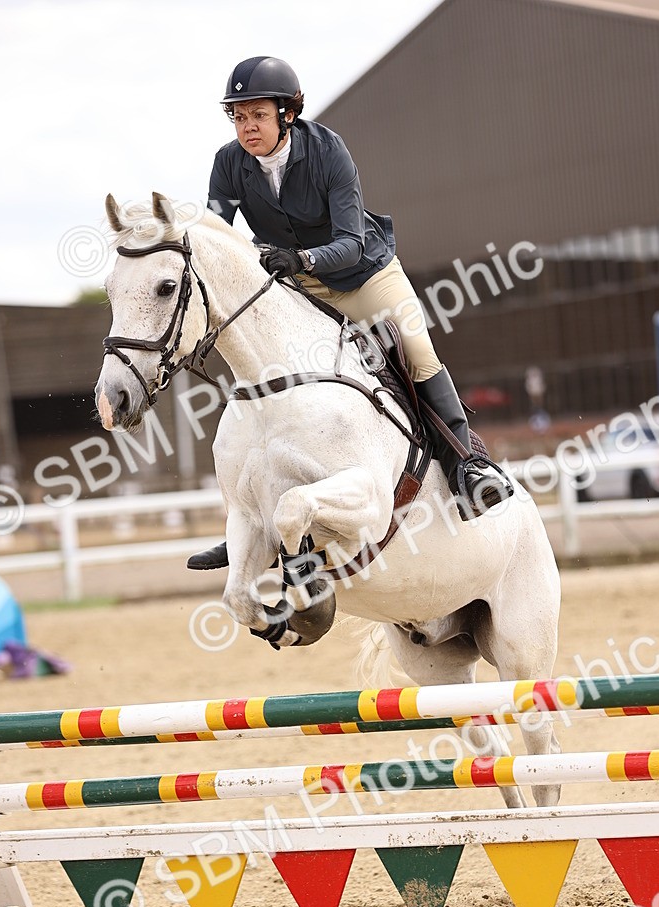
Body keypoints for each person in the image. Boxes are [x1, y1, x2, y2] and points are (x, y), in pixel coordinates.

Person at [189, 56, 511, 570]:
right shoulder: (229, 162)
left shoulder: (328, 151)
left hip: (362, 274)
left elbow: (351, 242)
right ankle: (250, 526)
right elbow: (218, 235)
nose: (246, 127)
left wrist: (300, 260)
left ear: (286, 114)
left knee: (416, 351)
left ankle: (468, 467)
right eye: (238, 117)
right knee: (267, 374)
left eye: (256, 115)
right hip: (296, 283)